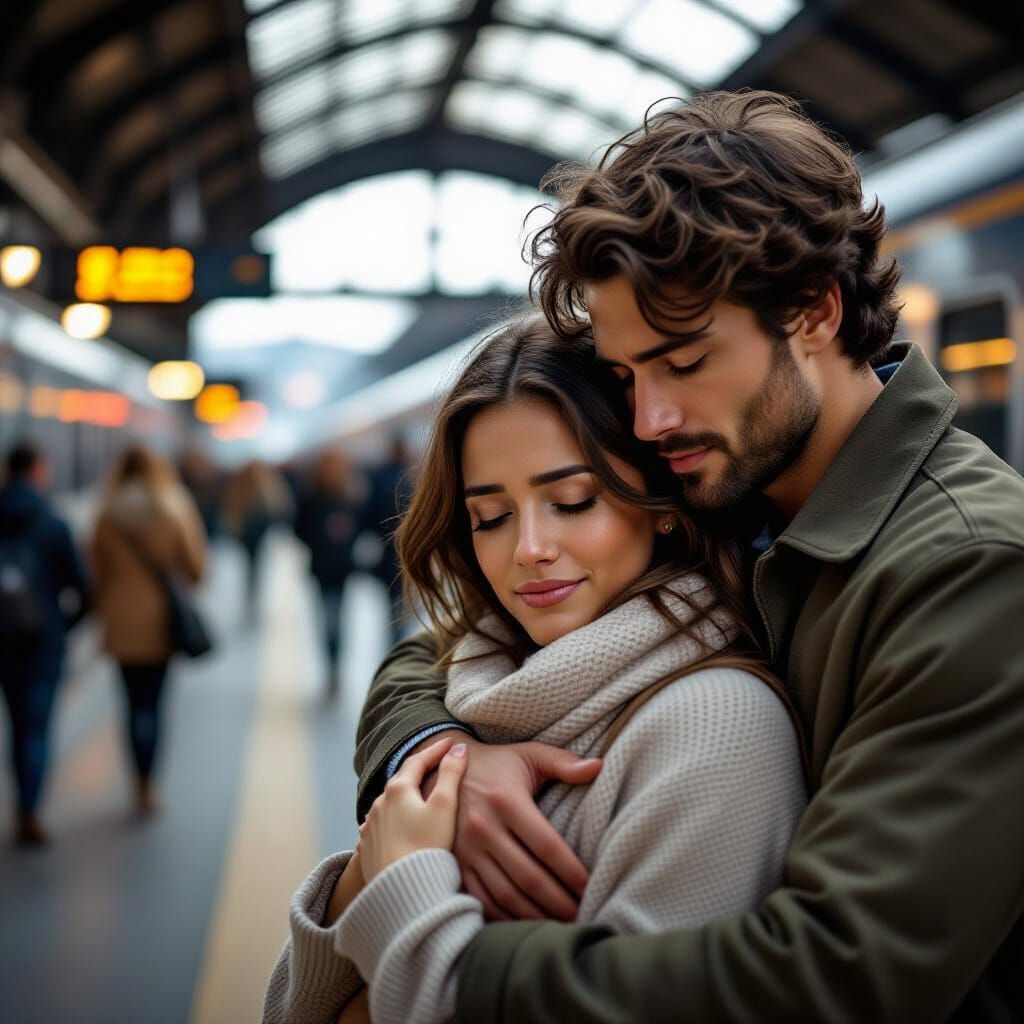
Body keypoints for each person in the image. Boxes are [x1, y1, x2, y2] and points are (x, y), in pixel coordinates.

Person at [351, 91, 1024, 1022]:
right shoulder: (732, 488)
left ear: (816, 311)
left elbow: (837, 978)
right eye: (627, 375)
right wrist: (442, 751)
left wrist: (449, 973)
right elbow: (450, 642)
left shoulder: (971, 569)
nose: (647, 419)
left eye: (685, 360)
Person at [263, 317, 806, 1023]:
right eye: (489, 516)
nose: (529, 548)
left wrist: (401, 875)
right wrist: (373, 865)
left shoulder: (717, 726)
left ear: (662, 505)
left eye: (572, 502)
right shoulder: (475, 687)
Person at [91, 446, 206, 815]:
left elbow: (94, 569)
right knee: (154, 704)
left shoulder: (107, 513)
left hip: (121, 621)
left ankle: (135, 778)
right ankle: (148, 786)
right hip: (160, 622)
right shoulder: (172, 508)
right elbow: (195, 566)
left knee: (131, 702)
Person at [0, 442, 89, 846]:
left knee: (15, 724)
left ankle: (21, 794)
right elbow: (84, 591)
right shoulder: (54, 523)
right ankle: (28, 809)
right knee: (35, 728)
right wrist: (61, 627)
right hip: (42, 644)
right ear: (37, 470)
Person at [295, 450, 363, 698]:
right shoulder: (312, 498)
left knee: (336, 618)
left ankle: (335, 668)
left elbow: (363, 525)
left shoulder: (351, 496)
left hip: (342, 568)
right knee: (329, 618)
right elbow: (299, 530)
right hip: (323, 567)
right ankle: (332, 667)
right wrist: (321, 539)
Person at [221, 460, 293, 622]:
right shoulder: (266, 485)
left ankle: (251, 598)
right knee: (256, 568)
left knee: (251, 568)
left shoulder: (242, 487)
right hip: (257, 535)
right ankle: (254, 598)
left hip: (248, 536)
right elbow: (278, 508)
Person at [365, 436, 415, 644]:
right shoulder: (413, 478)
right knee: (406, 597)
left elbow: (371, 515)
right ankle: (400, 635)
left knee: (392, 598)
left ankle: (394, 636)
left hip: (387, 549)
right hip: (410, 548)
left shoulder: (379, 478)